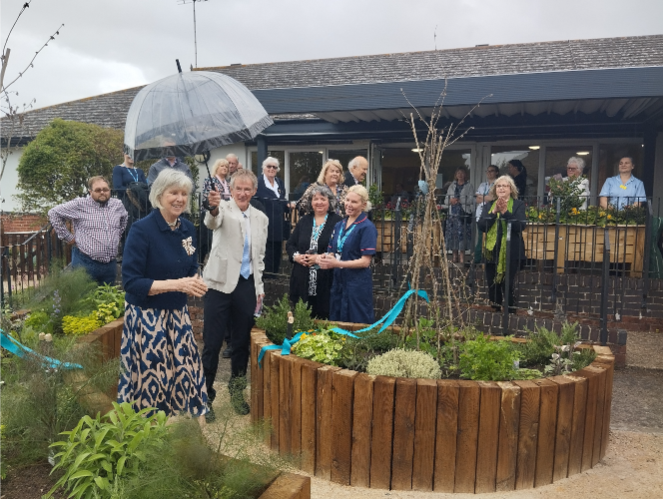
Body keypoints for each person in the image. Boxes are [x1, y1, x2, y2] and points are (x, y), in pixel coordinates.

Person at [118, 169, 209, 417]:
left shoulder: (188, 229)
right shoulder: (141, 230)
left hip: (177, 316)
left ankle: (183, 428)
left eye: (184, 193)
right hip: (147, 319)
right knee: (151, 383)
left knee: (186, 373)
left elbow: (191, 267)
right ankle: (146, 436)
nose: (180, 198)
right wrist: (178, 284)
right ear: (160, 195)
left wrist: (195, 280)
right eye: (174, 193)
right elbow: (132, 283)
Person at [202, 169, 268, 417]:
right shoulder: (222, 209)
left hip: (246, 285)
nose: (242, 193)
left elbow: (259, 257)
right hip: (218, 285)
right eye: (238, 188)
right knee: (212, 342)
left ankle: (236, 390)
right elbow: (212, 222)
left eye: (247, 189)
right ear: (231, 189)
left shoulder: (261, 218)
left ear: (254, 191)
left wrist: (259, 289)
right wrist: (213, 207)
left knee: (241, 344)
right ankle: (205, 395)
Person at [48, 176, 127, 285]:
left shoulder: (117, 205)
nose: (102, 192)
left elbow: (124, 218)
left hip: (110, 265)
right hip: (85, 263)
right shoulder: (80, 204)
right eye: (98, 190)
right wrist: (68, 237)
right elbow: (53, 213)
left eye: (105, 189)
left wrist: (117, 235)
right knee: (85, 300)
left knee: (108, 299)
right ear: (90, 192)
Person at [319, 185, 377, 324]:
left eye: (354, 202)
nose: (349, 205)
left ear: (363, 205)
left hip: (356, 283)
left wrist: (337, 264)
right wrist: (326, 258)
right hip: (339, 281)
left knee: (357, 321)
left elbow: (365, 261)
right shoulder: (339, 225)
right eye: (347, 200)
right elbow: (333, 251)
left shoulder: (367, 227)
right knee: (336, 319)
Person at [286, 185, 343, 319]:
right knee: (301, 317)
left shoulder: (338, 222)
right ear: (310, 202)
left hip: (326, 279)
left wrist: (318, 258)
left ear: (330, 201)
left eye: (322, 199)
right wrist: (297, 257)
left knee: (324, 318)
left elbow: (340, 249)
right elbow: (290, 244)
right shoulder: (304, 221)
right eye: (315, 199)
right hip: (302, 278)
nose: (319, 202)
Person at [478, 175, 526, 314]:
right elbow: (482, 226)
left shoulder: (518, 205)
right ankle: (495, 308)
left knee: (508, 283)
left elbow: (520, 226)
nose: (501, 188)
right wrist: (494, 212)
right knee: (492, 282)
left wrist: (505, 212)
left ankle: (510, 310)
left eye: (505, 186)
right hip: (492, 249)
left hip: (511, 250)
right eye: (499, 186)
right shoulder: (488, 205)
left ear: (510, 189)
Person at [256, 157, 289, 276]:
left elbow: (282, 200)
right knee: (266, 251)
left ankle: (275, 276)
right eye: (269, 166)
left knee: (277, 251)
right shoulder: (258, 182)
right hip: (264, 222)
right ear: (263, 168)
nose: (271, 169)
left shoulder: (279, 182)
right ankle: (266, 277)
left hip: (278, 222)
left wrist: (288, 205)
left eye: (274, 167)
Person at [443, 166, 474, 263]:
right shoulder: (452, 186)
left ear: (465, 175)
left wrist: (461, 200)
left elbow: (471, 200)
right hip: (453, 215)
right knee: (453, 235)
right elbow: (445, 201)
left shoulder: (469, 186)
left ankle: (462, 257)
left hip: (463, 214)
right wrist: (451, 200)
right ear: (456, 175)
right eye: (458, 173)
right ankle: (454, 256)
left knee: (462, 235)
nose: (460, 175)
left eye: (462, 173)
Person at [113, 153, 148, 226]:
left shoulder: (139, 171)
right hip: (126, 203)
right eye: (129, 154)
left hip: (141, 204)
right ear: (124, 154)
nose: (131, 156)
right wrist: (132, 191)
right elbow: (118, 187)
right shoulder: (118, 169)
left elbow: (146, 187)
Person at [474, 165, 499, 262]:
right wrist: (487, 197)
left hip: (493, 215)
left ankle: (488, 259)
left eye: (491, 171)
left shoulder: (498, 184)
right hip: (481, 214)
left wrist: (482, 197)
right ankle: (479, 259)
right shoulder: (482, 185)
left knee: (492, 238)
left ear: (496, 172)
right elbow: (477, 200)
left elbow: (493, 198)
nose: (489, 173)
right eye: (487, 171)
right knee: (481, 237)